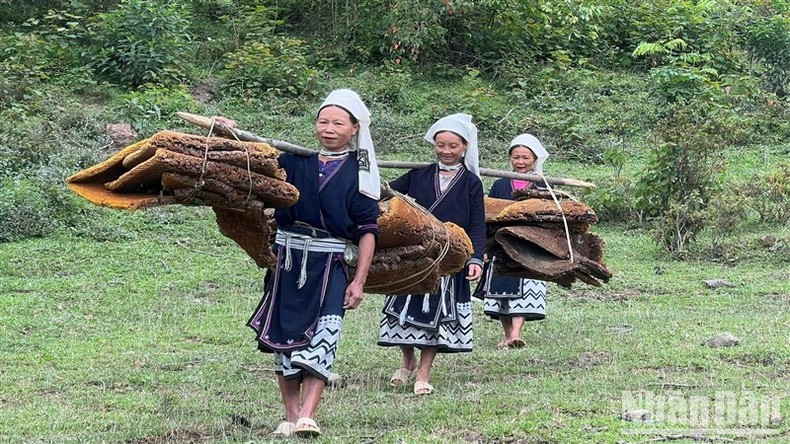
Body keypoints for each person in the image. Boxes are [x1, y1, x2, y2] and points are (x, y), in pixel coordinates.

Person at [224, 89, 380, 438]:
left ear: (354, 128)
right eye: (323, 121)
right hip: (288, 261)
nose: (329, 128)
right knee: (284, 338)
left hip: (330, 263)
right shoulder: (294, 161)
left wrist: (359, 281)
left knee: (325, 333)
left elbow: (368, 231)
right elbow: (249, 157)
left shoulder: (362, 173)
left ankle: (309, 415)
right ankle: (291, 415)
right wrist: (227, 131)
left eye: (338, 123)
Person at [377, 113, 485, 395]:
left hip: (449, 257)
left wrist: (475, 258)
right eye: (441, 145)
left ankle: (424, 372)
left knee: (436, 315)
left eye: (453, 146)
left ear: (465, 148)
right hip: (413, 256)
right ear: (434, 145)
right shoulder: (417, 176)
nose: (446, 151)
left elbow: (477, 223)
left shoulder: (472, 183)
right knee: (401, 310)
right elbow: (383, 192)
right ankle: (407, 359)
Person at [473, 133, 549, 349]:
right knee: (500, 291)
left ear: (534, 159)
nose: (521, 162)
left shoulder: (542, 186)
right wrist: (486, 245)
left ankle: (516, 333)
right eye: (516, 157)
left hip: (529, 245)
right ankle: (508, 335)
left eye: (525, 157)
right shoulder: (499, 184)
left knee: (525, 288)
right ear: (510, 158)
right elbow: (489, 213)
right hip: (501, 243)